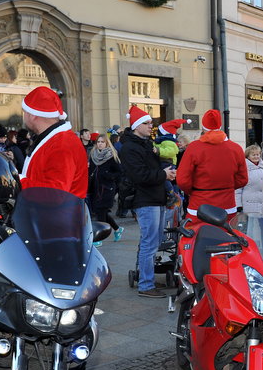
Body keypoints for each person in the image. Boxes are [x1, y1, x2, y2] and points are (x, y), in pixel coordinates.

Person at [121, 105, 177, 298]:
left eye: (151, 123)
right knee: (150, 244)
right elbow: (139, 175)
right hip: (146, 200)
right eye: (146, 123)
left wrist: (166, 174)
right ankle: (145, 285)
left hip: (157, 198)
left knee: (154, 242)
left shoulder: (146, 143)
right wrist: (163, 174)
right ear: (136, 126)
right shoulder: (130, 147)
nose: (150, 126)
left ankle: (146, 279)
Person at [176, 109, 248, 220]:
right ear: (220, 126)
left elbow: (182, 180)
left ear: (203, 127)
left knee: (197, 235)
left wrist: (194, 191)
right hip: (227, 206)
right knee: (226, 236)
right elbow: (242, 179)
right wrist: (227, 188)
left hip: (199, 206)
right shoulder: (236, 148)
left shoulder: (193, 148)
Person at [19, 86, 87, 198]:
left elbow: (55, 194)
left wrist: (19, 181)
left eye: (25, 112)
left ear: (32, 115)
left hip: (58, 215)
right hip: (51, 214)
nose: (24, 116)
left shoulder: (62, 144)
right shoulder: (55, 139)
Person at [88, 132, 123, 244]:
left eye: (102, 142)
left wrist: (109, 176)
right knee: (101, 212)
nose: (100, 144)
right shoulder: (93, 155)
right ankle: (117, 229)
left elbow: (119, 172)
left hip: (107, 188)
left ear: (107, 143)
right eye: (98, 142)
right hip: (95, 188)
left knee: (101, 211)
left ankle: (99, 238)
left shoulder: (111, 155)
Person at [236, 144, 263, 219]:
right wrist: (238, 205)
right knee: (250, 229)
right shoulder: (243, 169)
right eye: (253, 155)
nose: (256, 156)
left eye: (258, 154)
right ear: (248, 156)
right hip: (249, 207)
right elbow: (238, 189)